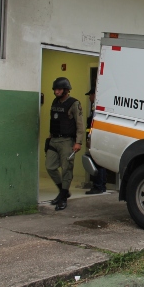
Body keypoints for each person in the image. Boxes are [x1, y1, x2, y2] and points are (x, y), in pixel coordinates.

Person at [46, 77, 85, 211]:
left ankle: (62, 198)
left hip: (67, 141)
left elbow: (80, 124)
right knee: (50, 167)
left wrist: (78, 142)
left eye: (59, 89)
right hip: (54, 139)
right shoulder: (55, 102)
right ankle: (63, 191)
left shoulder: (74, 103)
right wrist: (50, 136)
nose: (56, 92)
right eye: (55, 89)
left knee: (66, 169)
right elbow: (54, 120)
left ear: (66, 90)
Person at [85, 87, 107, 195]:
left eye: (90, 95)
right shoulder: (96, 108)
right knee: (100, 163)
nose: (89, 97)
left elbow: (92, 125)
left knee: (96, 162)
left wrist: (89, 138)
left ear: (94, 95)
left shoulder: (96, 109)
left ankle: (98, 186)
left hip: (96, 138)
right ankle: (101, 185)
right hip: (98, 138)